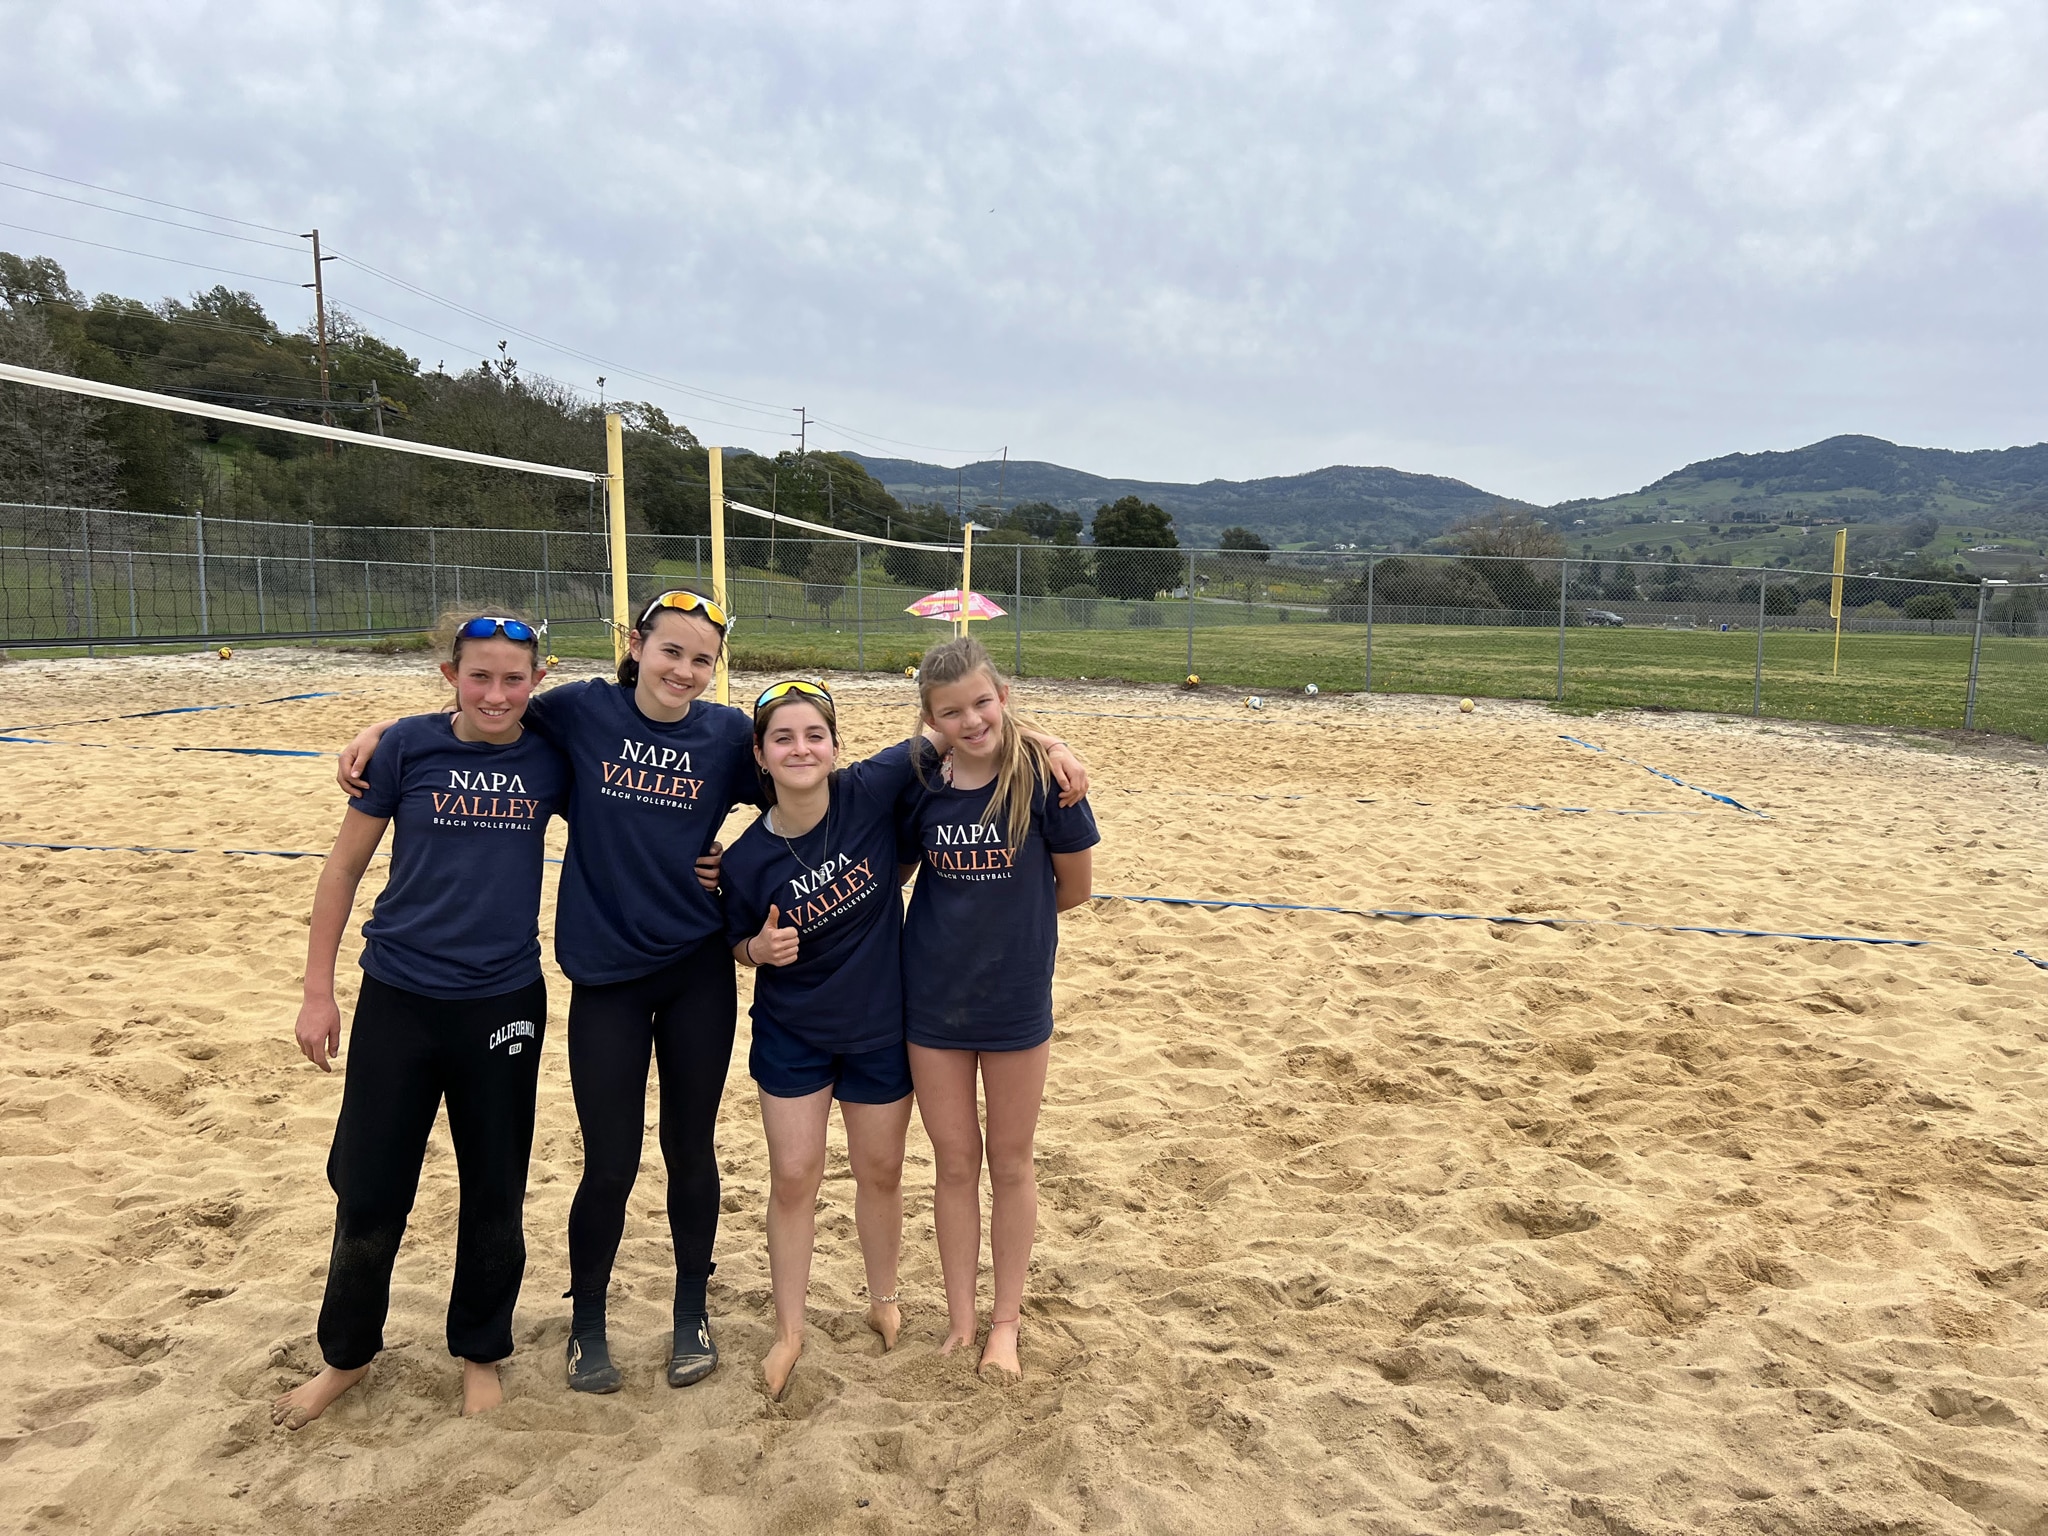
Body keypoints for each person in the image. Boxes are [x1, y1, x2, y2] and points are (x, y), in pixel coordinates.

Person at [338, 590, 753, 1393]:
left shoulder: (729, 735)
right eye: (670, 650)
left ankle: (690, 1312)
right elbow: (488, 709)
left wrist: (733, 864)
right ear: (635, 644)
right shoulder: (581, 711)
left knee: (690, 1148)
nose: (684, 669)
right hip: (604, 974)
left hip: (696, 967)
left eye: (702, 659)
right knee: (610, 1161)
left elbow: (805, 792)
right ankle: (587, 1322)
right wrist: (384, 731)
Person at [722, 680, 1090, 1400]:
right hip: (795, 1031)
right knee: (794, 1176)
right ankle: (789, 1330)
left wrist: (1053, 743)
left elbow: (962, 724)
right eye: (782, 738)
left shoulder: (869, 789)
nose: (801, 748)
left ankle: (884, 1299)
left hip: (881, 1024)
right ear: (760, 756)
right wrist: (754, 951)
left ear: (836, 746)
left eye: (815, 735)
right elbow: (734, 940)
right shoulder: (743, 859)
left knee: (882, 1170)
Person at [275, 615, 567, 1429]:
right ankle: (346, 1357)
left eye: (514, 678)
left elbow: (627, 801)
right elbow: (342, 869)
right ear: (450, 677)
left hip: (503, 1000)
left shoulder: (551, 754)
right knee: (369, 1188)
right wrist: (317, 991)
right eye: (479, 676)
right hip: (398, 996)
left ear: (538, 681)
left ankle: (480, 1351)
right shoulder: (406, 747)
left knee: (495, 1186)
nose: (496, 694)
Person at [900, 636, 1098, 1381]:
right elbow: (895, 868)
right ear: (931, 720)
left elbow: (1074, 889)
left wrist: (1010, 927)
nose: (971, 720)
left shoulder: (1046, 780)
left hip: (1015, 999)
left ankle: (1005, 1323)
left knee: (1011, 1162)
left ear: (1004, 698)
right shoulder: (922, 782)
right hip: (932, 1001)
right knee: (954, 1164)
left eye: (982, 703)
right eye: (951, 712)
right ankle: (961, 1319)